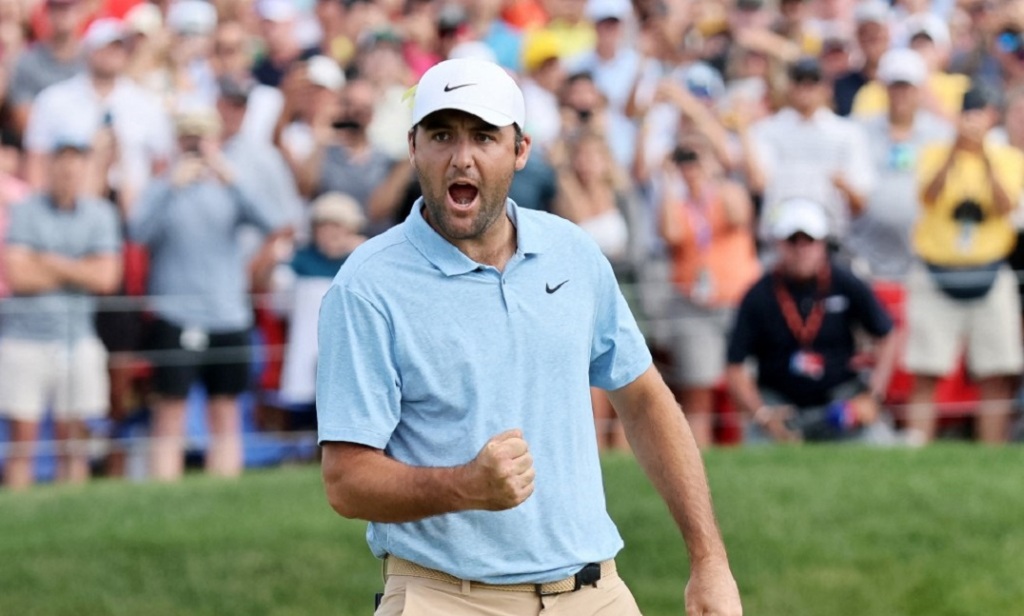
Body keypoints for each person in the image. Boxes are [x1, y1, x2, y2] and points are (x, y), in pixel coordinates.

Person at [316, 58, 741, 615]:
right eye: (441, 134)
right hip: (443, 597)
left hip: (595, 594)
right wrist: (464, 486)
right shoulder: (366, 286)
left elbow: (643, 399)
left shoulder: (573, 250)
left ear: (520, 151)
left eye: (484, 136)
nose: (461, 156)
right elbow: (346, 481)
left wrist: (709, 561)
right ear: (414, 147)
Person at [129, 107, 290, 481]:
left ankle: (224, 491)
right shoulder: (163, 186)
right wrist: (171, 185)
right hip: (175, 314)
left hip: (228, 314)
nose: (195, 144)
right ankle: (163, 495)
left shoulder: (231, 185)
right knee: (169, 411)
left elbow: (275, 223)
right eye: (187, 137)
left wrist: (229, 177)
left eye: (202, 137)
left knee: (226, 410)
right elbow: (137, 233)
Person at [903, 86, 1024, 444]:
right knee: (926, 370)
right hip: (937, 269)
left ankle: (990, 454)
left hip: (989, 268)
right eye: (967, 113)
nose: (973, 121)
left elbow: (1006, 206)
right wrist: (956, 150)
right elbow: (929, 196)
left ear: (991, 118)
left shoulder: (1008, 157)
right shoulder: (933, 152)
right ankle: (915, 450)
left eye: (980, 114)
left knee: (996, 372)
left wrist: (984, 156)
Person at [726, 198, 899, 443]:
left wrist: (873, 397)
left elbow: (887, 334)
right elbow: (735, 365)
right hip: (780, 405)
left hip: (839, 405)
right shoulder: (758, 294)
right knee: (755, 452)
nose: (801, 248)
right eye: (792, 240)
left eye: (809, 240)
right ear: (778, 244)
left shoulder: (846, 281)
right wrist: (761, 414)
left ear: (822, 244)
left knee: (879, 445)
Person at [0, 139, 122, 489]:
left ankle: (71, 513)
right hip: (25, 339)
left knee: (75, 443)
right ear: (49, 167)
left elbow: (106, 277)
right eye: (61, 166)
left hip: (77, 338)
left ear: (85, 171)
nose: (68, 175)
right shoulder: (25, 210)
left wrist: (48, 260)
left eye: (75, 167)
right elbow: (19, 276)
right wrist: (79, 268)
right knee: (21, 441)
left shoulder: (99, 214)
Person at [658, 139, 761, 447]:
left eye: (695, 160)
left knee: (745, 386)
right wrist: (667, 180)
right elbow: (670, 233)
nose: (691, 168)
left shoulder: (728, 192)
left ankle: (750, 453)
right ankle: (699, 461)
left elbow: (739, 215)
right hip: (694, 304)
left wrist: (713, 174)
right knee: (697, 389)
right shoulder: (676, 202)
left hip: (739, 302)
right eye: (685, 161)